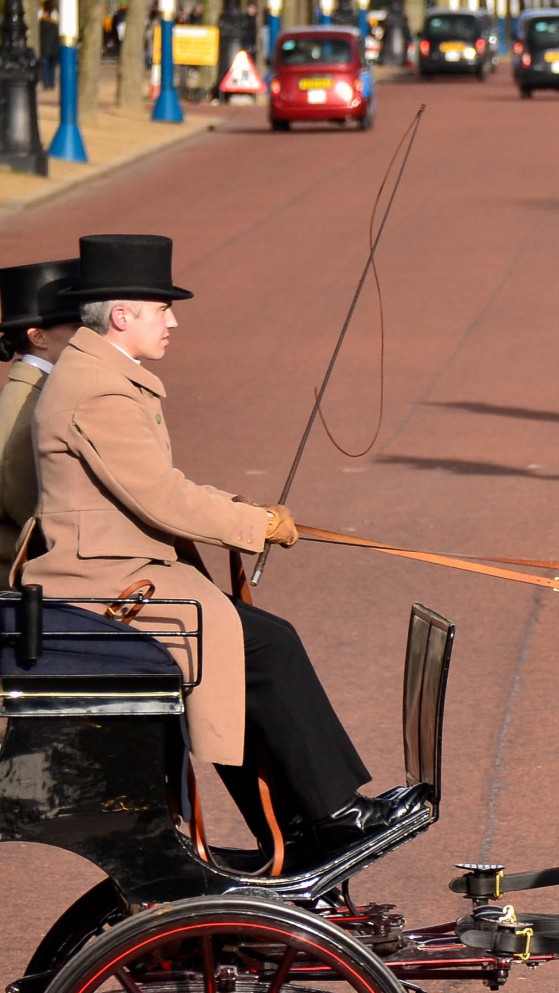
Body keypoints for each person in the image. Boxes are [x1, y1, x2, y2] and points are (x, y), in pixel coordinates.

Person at [25, 234, 428, 857]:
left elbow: (161, 490)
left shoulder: (100, 376)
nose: (173, 321)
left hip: (126, 571)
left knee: (252, 641)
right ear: (123, 315)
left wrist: (245, 512)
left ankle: (302, 819)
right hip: (105, 584)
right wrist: (254, 526)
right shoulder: (98, 391)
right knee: (265, 643)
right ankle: (331, 814)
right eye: (162, 309)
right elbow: (162, 498)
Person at [0, 257, 77, 574]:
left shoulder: (35, 393)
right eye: (76, 329)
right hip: (28, 582)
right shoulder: (31, 407)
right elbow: (38, 519)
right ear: (38, 337)